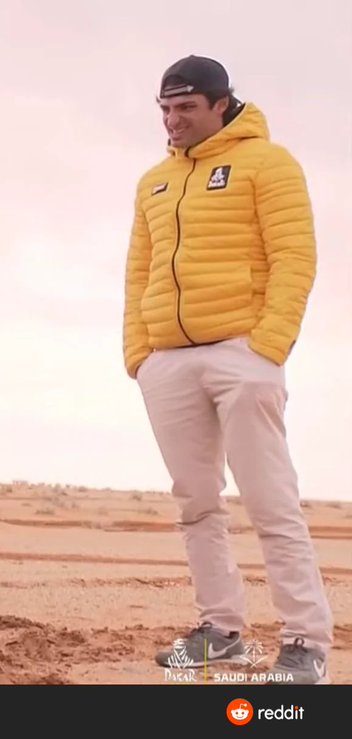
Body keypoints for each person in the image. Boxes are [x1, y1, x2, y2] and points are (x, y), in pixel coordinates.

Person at [122, 55, 331, 684]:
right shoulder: (154, 181)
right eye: (165, 109)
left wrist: (268, 345)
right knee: (196, 505)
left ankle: (305, 643)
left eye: (185, 107)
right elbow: (138, 272)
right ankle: (222, 631)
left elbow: (296, 255)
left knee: (271, 504)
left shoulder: (270, 163)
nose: (172, 120)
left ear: (221, 104)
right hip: (168, 363)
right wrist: (140, 353)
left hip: (243, 352)